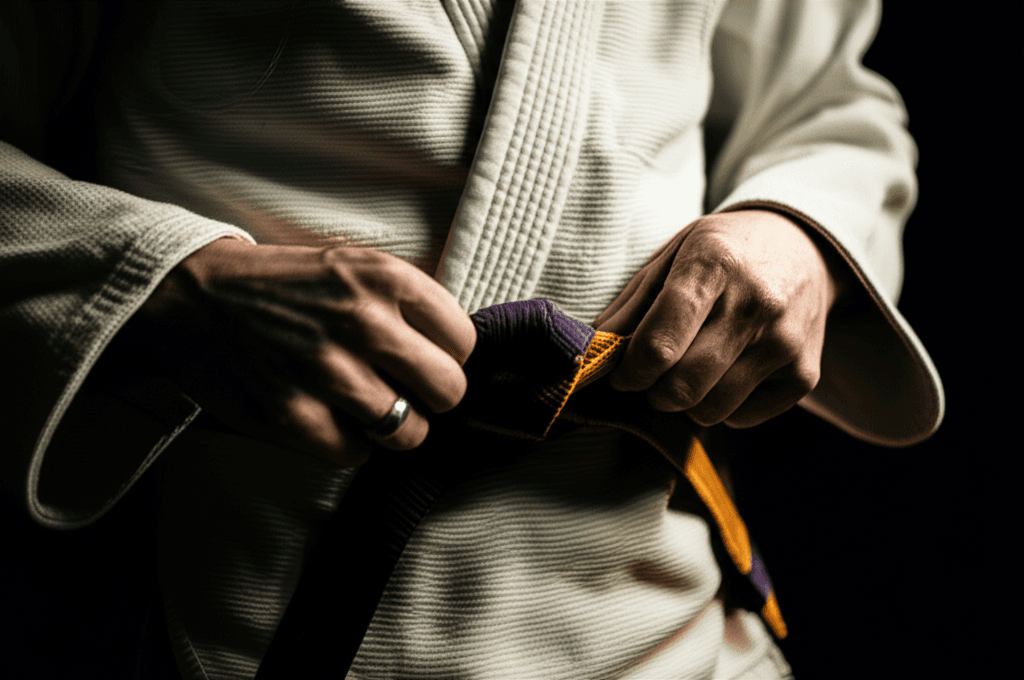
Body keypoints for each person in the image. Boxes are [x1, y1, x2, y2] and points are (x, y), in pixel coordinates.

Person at [1, 1, 944, 678]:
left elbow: (827, 105)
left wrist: (799, 233)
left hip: (674, 624)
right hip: (235, 620)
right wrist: (170, 286)